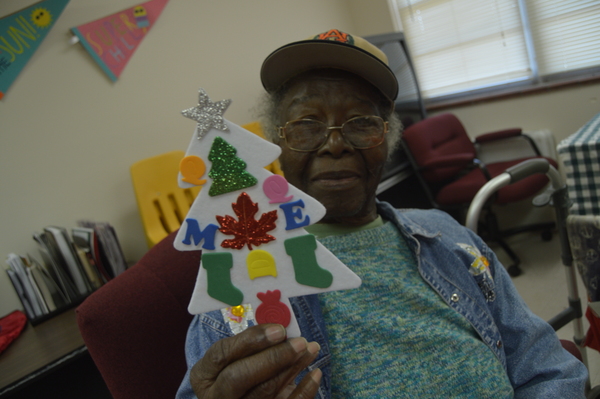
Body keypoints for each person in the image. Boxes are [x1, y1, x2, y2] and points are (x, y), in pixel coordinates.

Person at [176, 29, 587, 398]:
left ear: (387, 138)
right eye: (306, 124)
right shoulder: (238, 283)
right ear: (277, 142)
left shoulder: (446, 234)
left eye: (360, 122)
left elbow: (548, 368)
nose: (334, 144)